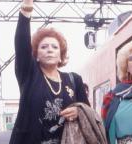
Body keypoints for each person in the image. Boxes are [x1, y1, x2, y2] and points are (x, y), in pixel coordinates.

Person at [9, 0, 90, 143]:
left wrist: (79, 113)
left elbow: (87, 111)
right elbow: (21, 44)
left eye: (54, 47)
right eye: (44, 47)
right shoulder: (29, 74)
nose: (49, 50)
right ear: (36, 55)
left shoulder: (74, 80)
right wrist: (25, 12)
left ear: (61, 55)